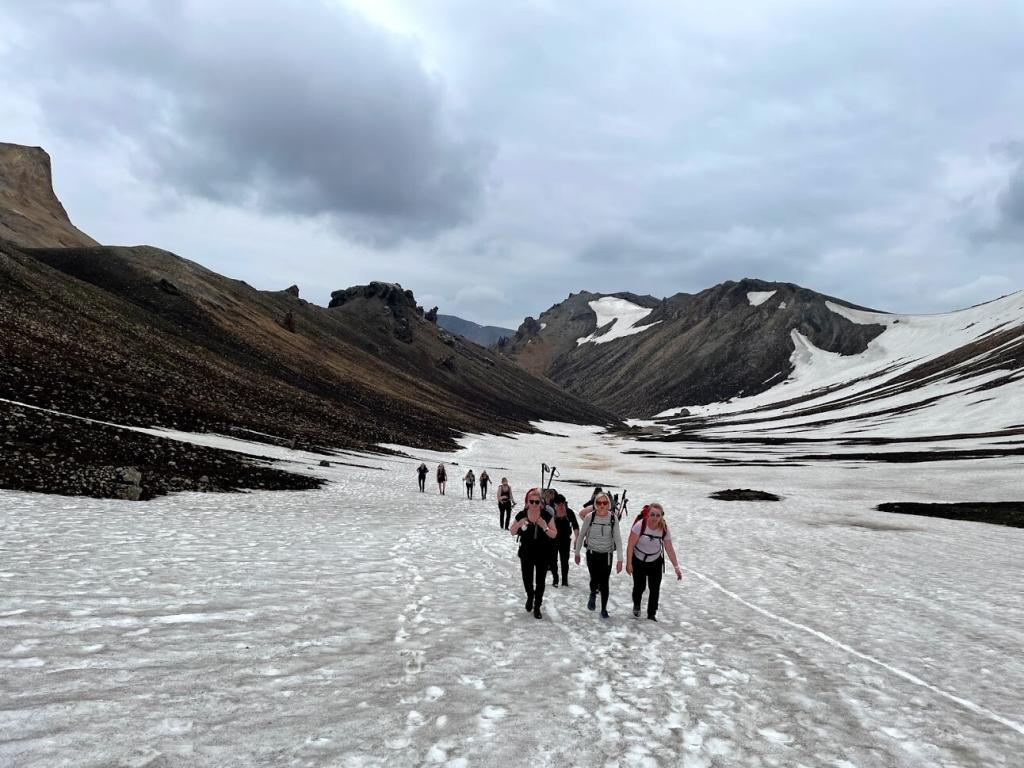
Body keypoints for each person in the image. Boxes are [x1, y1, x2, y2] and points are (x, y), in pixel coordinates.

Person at [625, 503, 682, 621]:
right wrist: (629, 563)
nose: (655, 518)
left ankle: (651, 614)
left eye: (658, 515)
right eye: (652, 514)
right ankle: (637, 605)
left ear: (661, 516)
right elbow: (630, 545)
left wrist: (676, 567)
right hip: (639, 560)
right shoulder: (640, 525)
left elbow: (669, 548)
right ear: (648, 515)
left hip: (655, 562)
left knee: (655, 588)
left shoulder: (664, 528)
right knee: (639, 587)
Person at [510, 487, 557, 619]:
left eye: (537, 502)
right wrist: (519, 524)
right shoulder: (522, 514)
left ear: (541, 503)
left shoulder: (546, 516)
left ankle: (537, 606)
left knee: (540, 581)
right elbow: (512, 531)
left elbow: (554, 534)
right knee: (527, 578)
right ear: (528, 502)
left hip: (543, 553)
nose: (534, 505)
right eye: (532, 502)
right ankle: (530, 596)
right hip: (526, 552)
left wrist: (545, 527)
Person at [574, 492, 622, 618]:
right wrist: (577, 553)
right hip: (592, 553)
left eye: (605, 503)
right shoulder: (590, 517)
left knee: (604, 582)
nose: (602, 505)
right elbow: (581, 535)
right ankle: (592, 593)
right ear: (595, 504)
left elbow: (618, 539)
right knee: (594, 578)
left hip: (607, 555)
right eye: (599, 503)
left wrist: (620, 560)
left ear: (609, 505)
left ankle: (604, 609)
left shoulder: (613, 518)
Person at [549, 494, 579, 588]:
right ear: (555, 505)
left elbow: (575, 525)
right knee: (553, 560)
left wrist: (577, 538)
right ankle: (555, 579)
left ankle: (565, 580)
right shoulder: (552, 513)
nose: (561, 506)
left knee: (564, 561)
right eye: (559, 505)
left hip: (565, 539)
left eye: (563, 504)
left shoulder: (569, 512)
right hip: (553, 539)